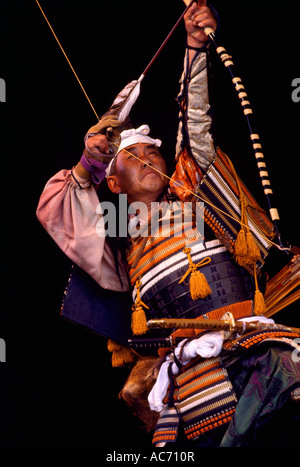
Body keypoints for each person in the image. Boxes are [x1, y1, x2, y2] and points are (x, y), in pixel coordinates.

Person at [37, 1, 300, 447]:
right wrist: (87, 165)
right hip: (191, 381)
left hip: (253, 348)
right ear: (115, 184)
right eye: (132, 158)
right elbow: (60, 211)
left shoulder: (196, 193)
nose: (147, 157)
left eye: (152, 151)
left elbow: (195, 126)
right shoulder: (119, 248)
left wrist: (194, 49)